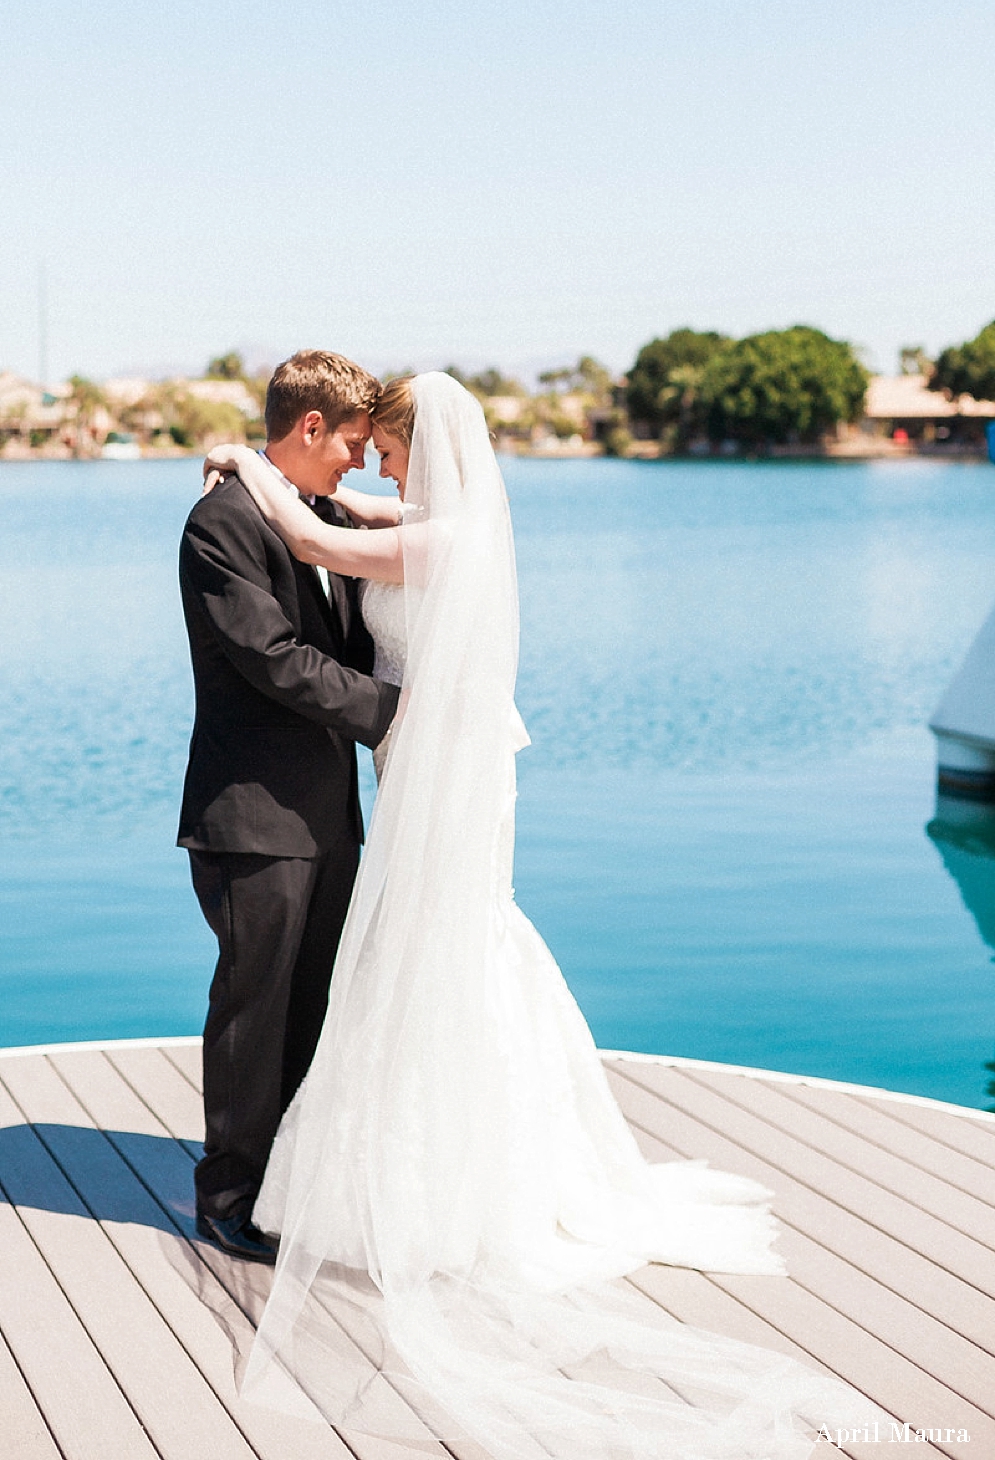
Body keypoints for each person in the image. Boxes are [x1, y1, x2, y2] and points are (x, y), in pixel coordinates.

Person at [204, 373, 880, 1458]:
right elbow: (339, 520)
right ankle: (377, 1161)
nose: (374, 469)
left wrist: (244, 463)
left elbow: (322, 545)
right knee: (422, 949)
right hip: (428, 753)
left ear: (422, 449)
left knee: (445, 945)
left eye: (385, 450)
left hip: (445, 757)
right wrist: (269, 480)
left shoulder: (445, 536)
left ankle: (450, 1180)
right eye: (365, 449)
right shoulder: (433, 517)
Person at [177, 350, 399, 1263]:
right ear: (310, 428)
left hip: (328, 815)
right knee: (253, 1009)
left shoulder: (315, 515)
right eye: (351, 442)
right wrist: (398, 716)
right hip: (253, 818)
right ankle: (227, 1197)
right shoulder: (219, 525)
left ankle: (290, 1182)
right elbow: (273, 659)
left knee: (311, 1008)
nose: (357, 460)